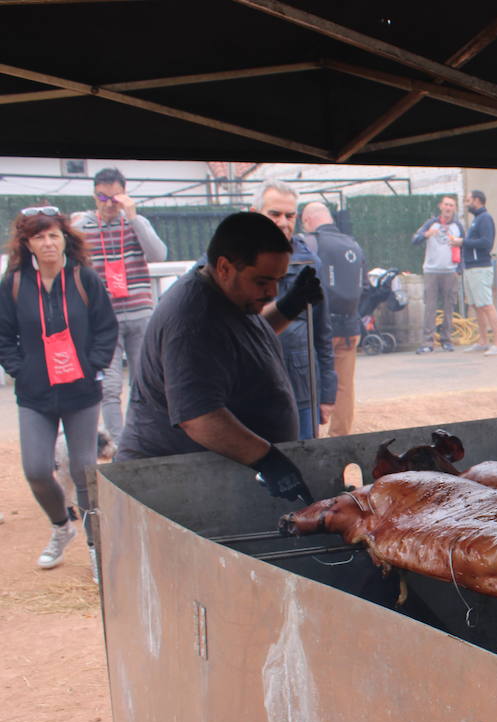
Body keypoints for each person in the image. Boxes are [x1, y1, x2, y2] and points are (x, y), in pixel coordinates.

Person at [116, 211, 319, 505]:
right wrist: (269, 460)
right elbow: (198, 417)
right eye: (262, 281)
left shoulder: (229, 297)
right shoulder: (193, 320)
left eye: (278, 281)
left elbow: (245, 343)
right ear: (224, 267)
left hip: (207, 478)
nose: (272, 291)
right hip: (169, 485)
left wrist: (290, 306)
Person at [0, 207, 117, 574]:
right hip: (35, 393)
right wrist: (21, 370)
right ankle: (60, 526)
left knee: (84, 469)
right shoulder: (15, 283)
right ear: (27, 243)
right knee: (35, 468)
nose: (48, 243)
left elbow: (105, 328)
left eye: (53, 235)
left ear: (65, 237)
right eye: (39, 237)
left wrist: (92, 366)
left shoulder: (84, 278)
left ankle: (97, 545)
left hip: (80, 391)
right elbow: (4, 335)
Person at [70, 167, 167, 444]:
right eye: (103, 197)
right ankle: (118, 443)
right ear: (93, 195)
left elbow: (158, 254)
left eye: (115, 197)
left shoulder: (135, 223)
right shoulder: (83, 227)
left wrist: (134, 217)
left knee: (144, 383)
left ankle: (143, 439)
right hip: (104, 320)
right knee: (109, 386)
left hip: (140, 314)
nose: (109, 204)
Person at [254, 182, 334, 439]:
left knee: (306, 463)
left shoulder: (309, 263)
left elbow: (322, 331)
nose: (282, 222)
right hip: (252, 388)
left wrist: (326, 394)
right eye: (274, 214)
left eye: (289, 216)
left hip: (302, 389)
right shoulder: (235, 261)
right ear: (255, 213)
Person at [300, 202, 367, 435]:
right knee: (344, 387)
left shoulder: (311, 242)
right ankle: (340, 438)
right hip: (350, 327)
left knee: (308, 384)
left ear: (307, 220)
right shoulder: (354, 244)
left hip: (320, 328)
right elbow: (365, 287)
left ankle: (310, 439)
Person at [410, 194, 463, 353]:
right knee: (430, 307)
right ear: (441, 206)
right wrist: (425, 235)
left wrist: (459, 269)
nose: (448, 208)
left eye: (451, 205)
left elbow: (464, 247)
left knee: (449, 307)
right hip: (431, 271)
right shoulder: (430, 223)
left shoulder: (458, 226)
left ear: (454, 208)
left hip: (450, 272)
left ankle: (447, 340)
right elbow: (414, 240)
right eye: (446, 205)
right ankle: (427, 343)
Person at [461, 189, 497, 355]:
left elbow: (486, 243)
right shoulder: (476, 219)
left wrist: (462, 242)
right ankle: (483, 341)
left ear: (477, 200)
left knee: (486, 305)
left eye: (468, 200)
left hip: (480, 267)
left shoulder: (485, 218)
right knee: (477, 306)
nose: (466, 203)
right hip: (470, 267)